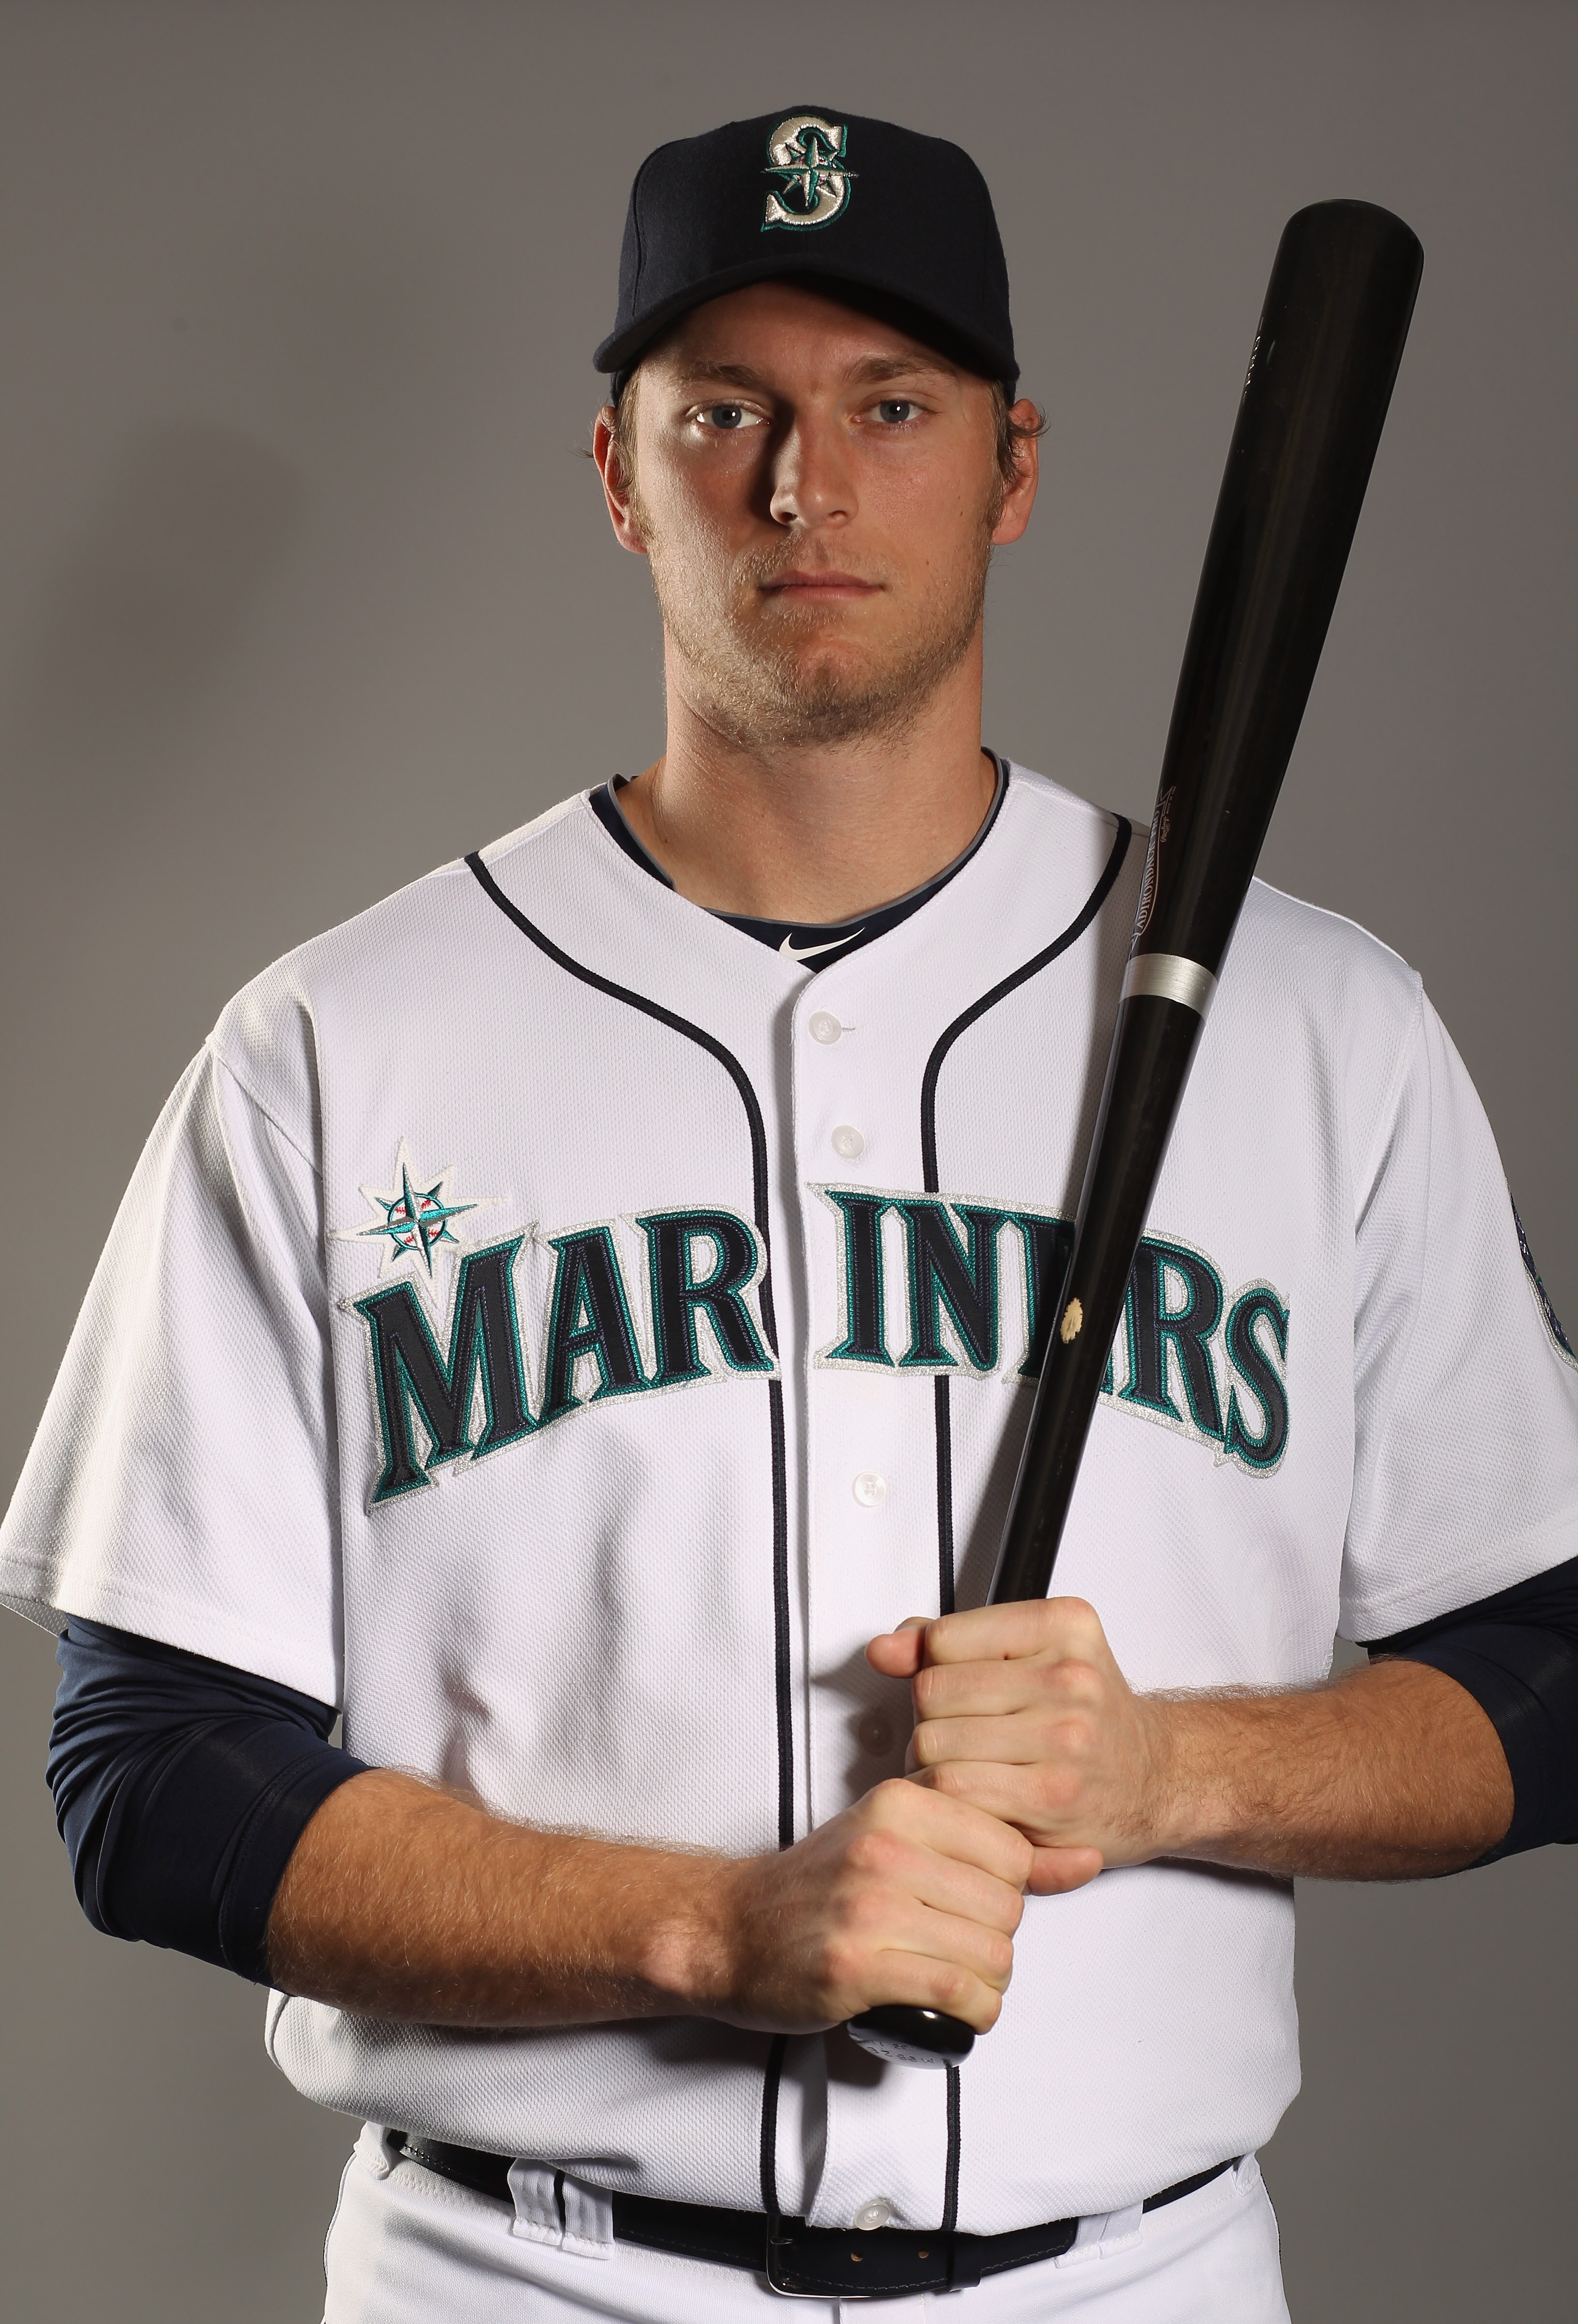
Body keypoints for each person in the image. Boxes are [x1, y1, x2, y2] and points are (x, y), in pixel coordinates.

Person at [4, 105, 1578, 2324]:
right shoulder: (340, 1046)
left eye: (890, 408)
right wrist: (705, 1928)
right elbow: (149, 1776)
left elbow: (1556, 1661)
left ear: (1014, 466)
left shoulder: (1324, 1028)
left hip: (1137, 2281)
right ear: (615, 470)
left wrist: (1170, 1765)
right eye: (723, 410)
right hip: (522, 2280)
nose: (802, 486)